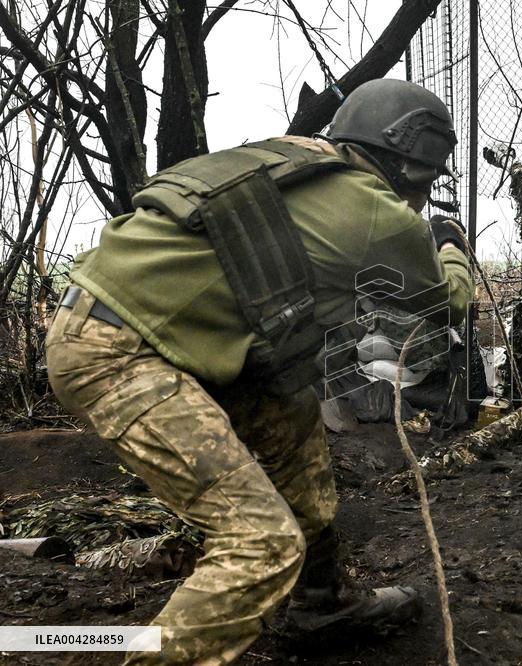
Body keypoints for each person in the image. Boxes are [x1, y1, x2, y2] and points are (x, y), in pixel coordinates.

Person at [45, 79, 473, 664]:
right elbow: (442, 301)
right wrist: (450, 245)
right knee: (260, 542)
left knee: (292, 416)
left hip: (136, 327)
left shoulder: (296, 158)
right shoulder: (380, 213)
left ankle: (322, 601)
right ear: (409, 162)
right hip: (117, 352)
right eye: (426, 176)